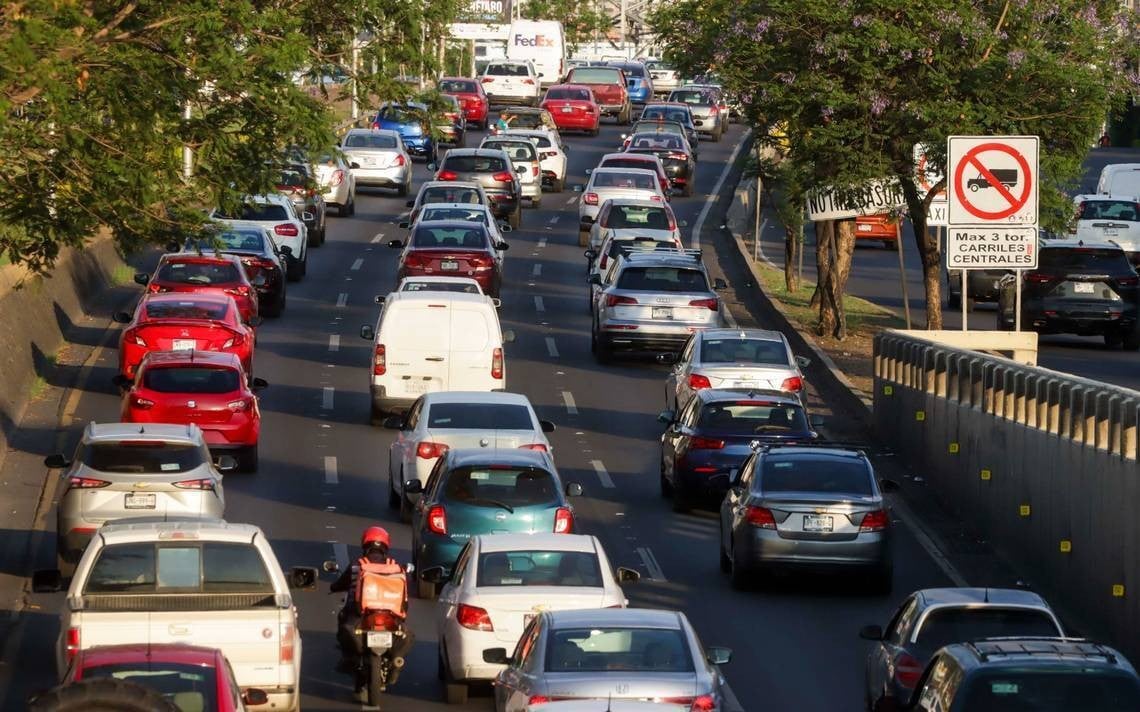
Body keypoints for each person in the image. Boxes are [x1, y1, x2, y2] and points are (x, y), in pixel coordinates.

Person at [330, 526, 415, 696]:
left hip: (361, 614)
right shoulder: (395, 566)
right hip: (391, 616)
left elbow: (340, 584)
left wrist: (334, 587)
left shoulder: (357, 565)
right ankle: (396, 662)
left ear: (365, 544)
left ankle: (349, 659)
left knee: (344, 622)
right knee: (407, 635)